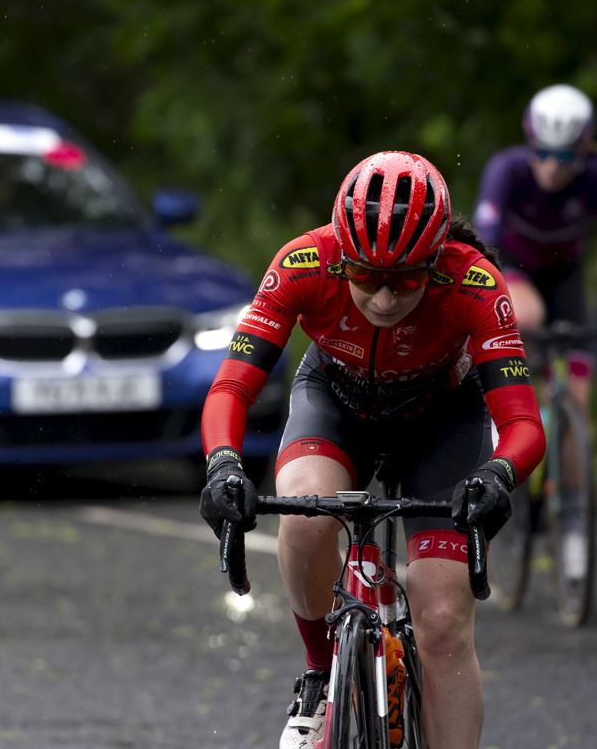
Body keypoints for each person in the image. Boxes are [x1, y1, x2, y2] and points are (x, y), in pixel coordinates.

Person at [200, 152, 545, 749]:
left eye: (407, 280)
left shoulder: (474, 283)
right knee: (305, 520)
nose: (384, 298)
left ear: (435, 262)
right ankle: (316, 673)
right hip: (336, 400)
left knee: (441, 623)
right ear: (341, 255)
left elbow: (523, 423)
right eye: (365, 276)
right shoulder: (303, 262)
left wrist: (498, 473)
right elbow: (231, 386)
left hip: (442, 420)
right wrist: (222, 465)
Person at [473, 84, 597, 419]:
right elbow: (484, 245)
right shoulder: (506, 169)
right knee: (528, 314)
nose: (552, 166)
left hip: (565, 275)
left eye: (565, 155)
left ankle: (567, 467)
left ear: (583, 148)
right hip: (512, 266)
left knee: (577, 402)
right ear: (530, 143)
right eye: (542, 152)